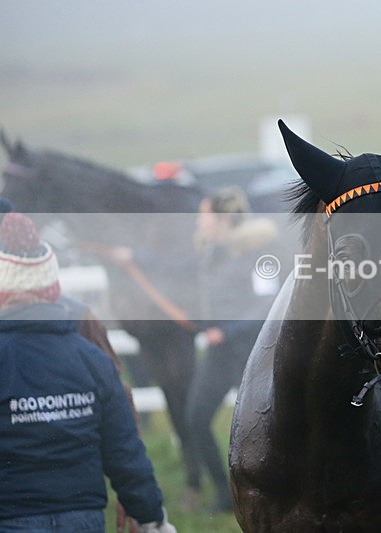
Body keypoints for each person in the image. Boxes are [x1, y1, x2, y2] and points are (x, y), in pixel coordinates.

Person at [0, 212, 176, 532]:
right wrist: (152, 517)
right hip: (82, 518)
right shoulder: (93, 360)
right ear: (53, 289)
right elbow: (125, 452)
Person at [184, 186, 281, 514]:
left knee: (262, 426)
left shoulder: (257, 251)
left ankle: (268, 490)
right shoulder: (211, 253)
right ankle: (226, 495)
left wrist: (225, 331)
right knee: (195, 419)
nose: (199, 221)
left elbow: (267, 301)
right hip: (219, 353)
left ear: (222, 218)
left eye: (204, 215)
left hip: (251, 353)